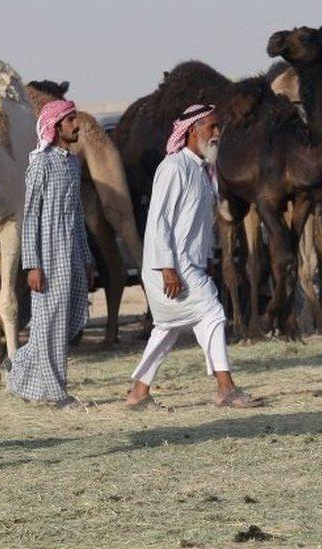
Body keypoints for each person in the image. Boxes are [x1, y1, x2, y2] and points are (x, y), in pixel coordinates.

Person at [126, 104, 262, 410]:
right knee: (212, 313)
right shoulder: (174, 167)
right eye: (211, 128)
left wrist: (208, 257)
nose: (217, 134)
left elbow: (197, 223)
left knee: (167, 329)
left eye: (218, 127)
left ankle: (138, 393)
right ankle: (226, 388)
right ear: (191, 131)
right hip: (171, 268)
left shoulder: (201, 170)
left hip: (190, 265)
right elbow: (159, 221)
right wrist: (167, 268)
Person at [6, 99, 96, 410]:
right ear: (55, 127)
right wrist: (32, 264)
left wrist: (86, 258)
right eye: (70, 120)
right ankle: (57, 393)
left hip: (70, 254)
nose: (76, 125)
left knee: (67, 320)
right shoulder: (40, 164)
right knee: (49, 323)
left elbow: (77, 215)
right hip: (47, 256)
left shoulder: (72, 163)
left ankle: (18, 369)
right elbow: (30, 217)